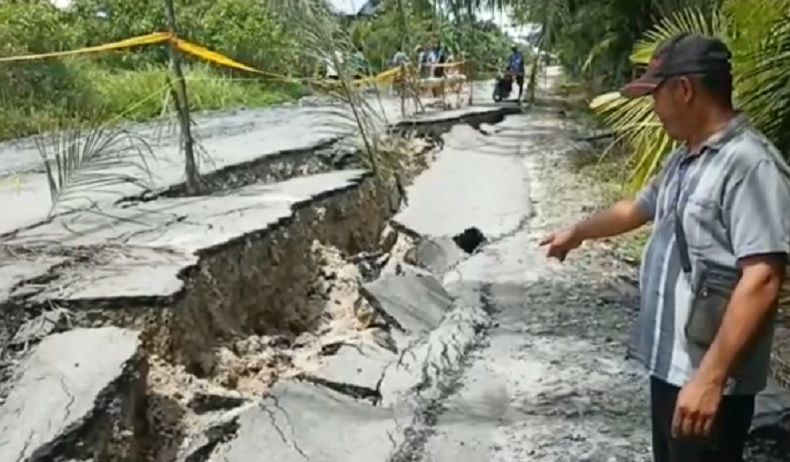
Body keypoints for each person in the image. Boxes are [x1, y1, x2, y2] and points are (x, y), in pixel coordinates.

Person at [540, 33, 790, 462]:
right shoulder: (687, 158)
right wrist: (577, 232)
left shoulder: (750, 165)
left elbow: (763, 277)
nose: (653, 108)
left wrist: (711, 379)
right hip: (672, 369)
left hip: (709, 378)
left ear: (685, 90)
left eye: (655, 94)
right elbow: (636, 209)